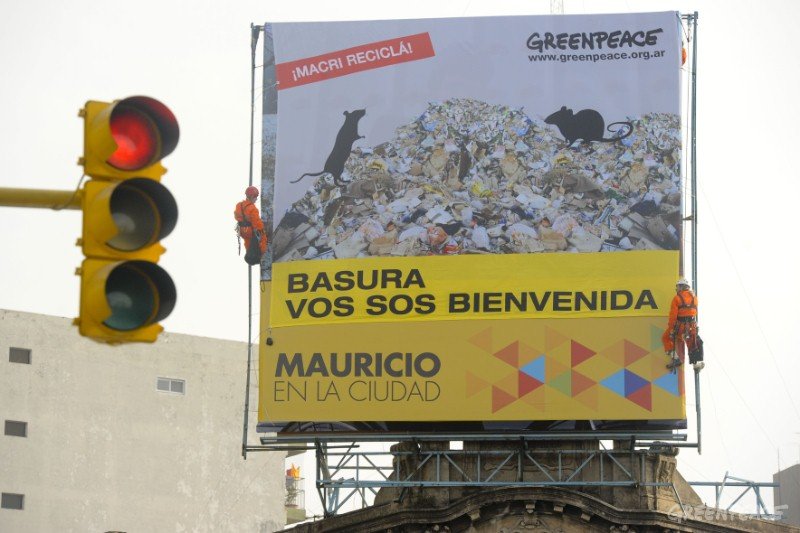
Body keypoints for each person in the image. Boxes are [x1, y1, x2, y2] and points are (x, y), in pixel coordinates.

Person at [662, 278, 704, 371]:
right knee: (692, 343)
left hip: (680, 326)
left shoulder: (677, 298)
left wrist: (672, 329)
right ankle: (696, 364)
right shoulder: (694, 297)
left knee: (665, 338)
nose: (676, 289)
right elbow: (694, 312)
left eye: (677, 287)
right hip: (691, 326)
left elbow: (673, 315)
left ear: (681, 287)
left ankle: (676, 358)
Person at [234, 186, 267, 258]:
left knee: (248, 243)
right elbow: (257, 223)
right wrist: (262, 231)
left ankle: (250, 253)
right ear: (252, 196)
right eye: (256, 196)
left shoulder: (239, 205)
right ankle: (261, 253)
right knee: (263, 238)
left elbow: (236, 216)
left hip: (242, 230)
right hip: (249, 230)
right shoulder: (253, 208)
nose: (256, 198)